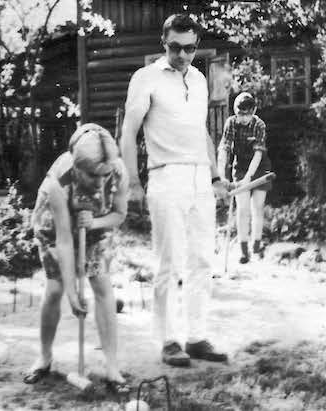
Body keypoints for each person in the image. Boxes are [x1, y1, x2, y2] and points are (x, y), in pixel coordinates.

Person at [120, 14, 230, 367]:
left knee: (202, 260)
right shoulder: (146, 78)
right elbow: (128, 132)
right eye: (175, 47)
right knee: (169, 263)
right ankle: (168, 341)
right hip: (166, 176)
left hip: (200, 178)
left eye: (190, 48)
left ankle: (196, 337)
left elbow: (202, 133)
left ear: (197, 47)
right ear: (163, 43)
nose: (182, 55)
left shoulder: (198, 79)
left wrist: (216, 177)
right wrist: (132, 182)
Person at [24, 123, 130, 392]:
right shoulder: (57, 182)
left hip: (94, 226)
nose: (100, 182)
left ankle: (112, 368)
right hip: (54, 228)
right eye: (93, 175)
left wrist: (94, 222)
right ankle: (44, 358)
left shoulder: (118, 172)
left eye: (104, 174)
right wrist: (72, 292)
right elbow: (64, 239)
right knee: (56, 288)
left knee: (102, 285)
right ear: (77, 167)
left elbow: (119, 214)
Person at [217, 92, 272, 263]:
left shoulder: (259, 125)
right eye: (240, 114)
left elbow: (258, 154)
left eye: (247, 114)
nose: (243, 118)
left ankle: (256, 245)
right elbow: (224, 149)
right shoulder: (231, 123)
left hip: (259, 166)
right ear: (236, 112)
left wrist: (249, 177)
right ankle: (243, 251)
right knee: (242, 209)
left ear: (253, 111)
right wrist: (221, 175)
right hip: (240, 167)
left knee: (257, 207)